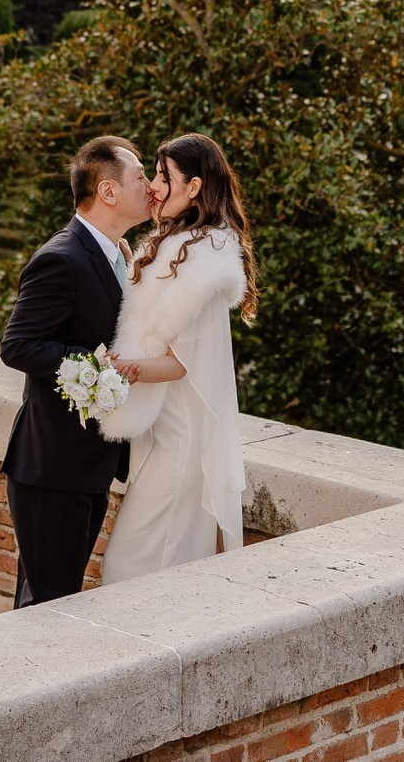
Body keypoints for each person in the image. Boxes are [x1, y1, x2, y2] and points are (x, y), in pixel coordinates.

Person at [97, 133, 257, 583]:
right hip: (159, 430)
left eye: (164, 177)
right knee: (141, 565)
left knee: (132, 565)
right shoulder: (176, 242)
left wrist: (114, 372)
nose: (154, 187)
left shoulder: (206, 260)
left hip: (180, 442)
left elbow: (180, 364)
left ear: (194, 186)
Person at [0, 135, 150, 607]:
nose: (151, 186)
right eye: (142, 177)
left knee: (56, 599)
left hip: (89, 464)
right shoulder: (60, 258)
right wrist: (93, 371)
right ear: (108, 192)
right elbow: (17, 345)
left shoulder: (119, 254)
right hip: (51, 467)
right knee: (46, 603)